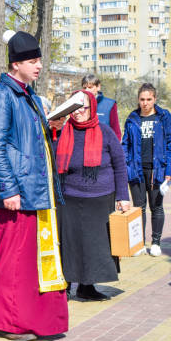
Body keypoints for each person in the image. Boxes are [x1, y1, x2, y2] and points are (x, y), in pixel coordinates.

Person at [0, 30, 68, 341]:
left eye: (39, 60)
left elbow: (28, 142)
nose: (39, 66)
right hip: (16, 194)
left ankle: (31, 318)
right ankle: (9, 323)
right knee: (13, 266)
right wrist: (9, 190)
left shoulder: (29, 95)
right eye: (32, 61)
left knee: (28, 265)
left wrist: (51, 128)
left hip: (35, 191)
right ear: (16, 63)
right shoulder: (0, 95)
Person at [56, 90, 130, 301]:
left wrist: (123, 196)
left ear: (92, 108)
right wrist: (53, 132)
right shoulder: (62, 132)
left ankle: (87, 287)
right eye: (74, 107)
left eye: (83, 107)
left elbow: (119, 165)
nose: (78, 112)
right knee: (70, 245)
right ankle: (65, 286)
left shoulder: (105, 132)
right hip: (68, 197)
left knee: (94, 247)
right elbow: (51, 159)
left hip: (100, 199)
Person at [121, 83, 171, 257]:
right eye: (142, 99)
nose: (145, 103)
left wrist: (170, 170)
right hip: (136, 170)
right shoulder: (132, 118)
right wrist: (124, 166)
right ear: (138, 99)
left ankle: (156, 242)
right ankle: (139, 244)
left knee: (156, 207)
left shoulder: (164, 117)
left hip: (157, 170)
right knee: (139, 208)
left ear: (154, 99)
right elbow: (125, 144)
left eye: (149, 99)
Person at [82, 74, 122, 140]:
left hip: (104, 147)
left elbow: (116, 131)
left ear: (98, 87)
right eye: (84, 88)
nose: (86, 90)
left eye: (90, 87)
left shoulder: (110, 104)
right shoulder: (79, 105)